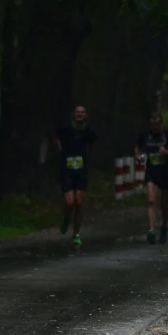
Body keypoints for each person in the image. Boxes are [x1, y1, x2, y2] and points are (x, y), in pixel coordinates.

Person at [135, 112, 168, 244]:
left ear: (162, 124)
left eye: (157, 124)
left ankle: (164, 227)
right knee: (151, 200)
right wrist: (137, 156)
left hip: (166, 171)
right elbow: (137, 146)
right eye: (153, 125)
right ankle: (151, 230)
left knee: (164, 204)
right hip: (152, 170)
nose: (155, 127)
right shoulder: (145, 135)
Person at [55, 105, 98, 247]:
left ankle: (76, 234)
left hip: (81, 170)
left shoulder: (89, 132)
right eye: (77, 112)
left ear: (86, 115)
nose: (79, 115)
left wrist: (87, 160)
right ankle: (66, 219)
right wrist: (61, 152)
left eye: (82, 113)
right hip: (67, 169)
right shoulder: (65, 129)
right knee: (69, 203)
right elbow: (56, 138)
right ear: (73, 114)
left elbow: (92, 146)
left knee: (79, 202)